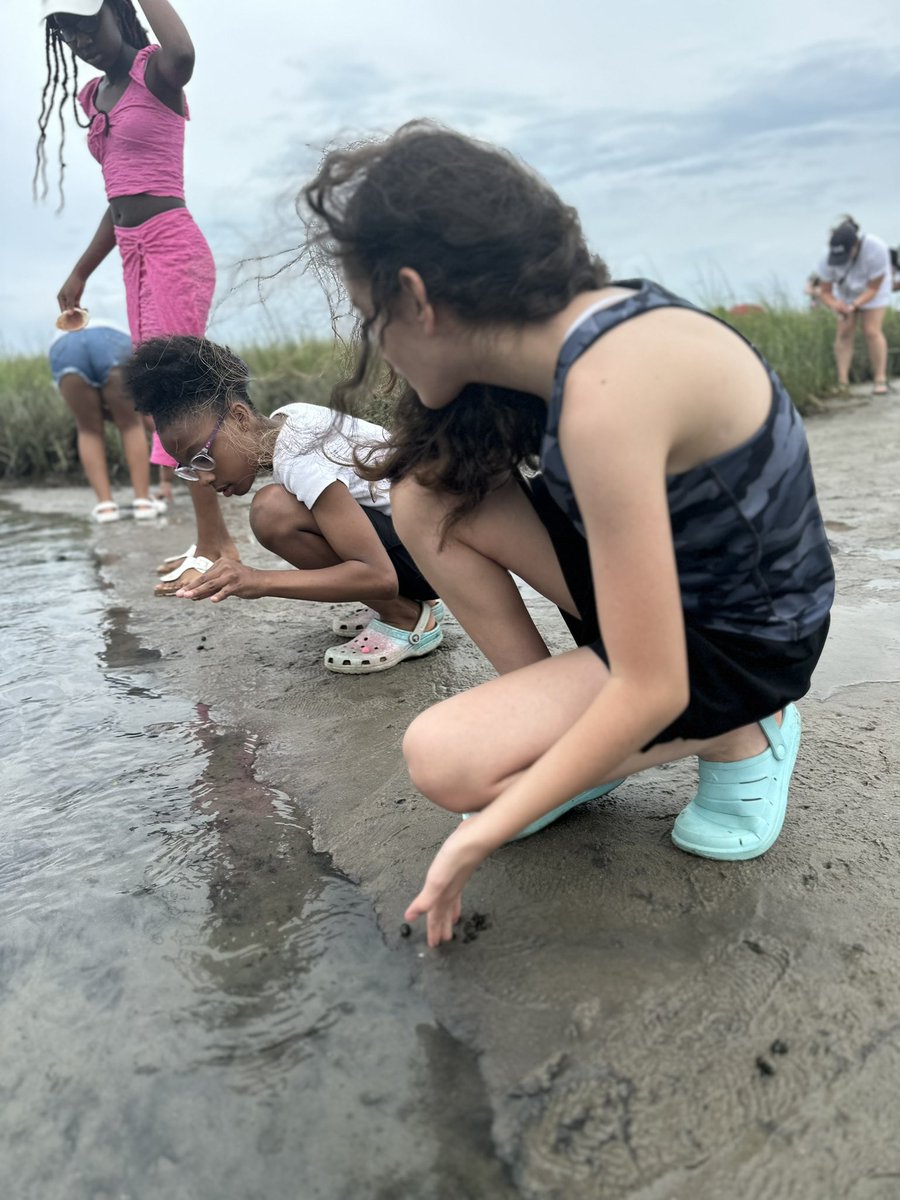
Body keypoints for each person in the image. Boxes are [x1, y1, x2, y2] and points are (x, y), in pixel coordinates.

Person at [301, 121, 836, 946]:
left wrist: (475, 837)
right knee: (425, 495)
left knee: (445, 760)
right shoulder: (571, 343)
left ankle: (746, 729)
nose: (376, 345)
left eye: (373, 319)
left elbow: (653, 682)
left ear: (416, 295)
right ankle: (575, 756)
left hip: (744, 640)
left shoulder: (608, 390)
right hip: (667, 598)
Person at [36, 0, 238, 594]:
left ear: (116, 12)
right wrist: (80, 272)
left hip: (174, 245)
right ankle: (208, 539)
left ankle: (215, 542)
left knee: (175, 392)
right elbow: (117, 195)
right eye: (68, 35)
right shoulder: (93, 96)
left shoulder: (157, 70)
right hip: (131, 254)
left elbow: (185, 52)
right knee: (158, 395)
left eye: (87, 25)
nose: (82, 43)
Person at [124, 335, 444, 673]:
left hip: (441, 559)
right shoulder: (291, 418)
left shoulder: (300, 459)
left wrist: (258, 580)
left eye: (201, 457)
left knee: (272, 512)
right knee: (279, 506)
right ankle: (415, 603)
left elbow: (379, 578)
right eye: (188, 469)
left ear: (240, 418)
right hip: (432, 544)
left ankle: (406, 618)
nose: (203, 479)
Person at [49, 320, 157, 521]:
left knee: (88, 430)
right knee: (131, 424)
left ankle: (105, 506)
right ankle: (142, 501)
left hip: (63, 344)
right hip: (114, 337)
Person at [816, 217, 891, 396]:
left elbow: (873, 287)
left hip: (874, 290)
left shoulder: (876, 249)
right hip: (846, 291)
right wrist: (837, 305)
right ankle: (843, 382)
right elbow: (824, 291)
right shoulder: (825, 259)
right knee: (844, 331)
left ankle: (880, 379)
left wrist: (856, 304)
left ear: (855, 245)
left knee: (871, 330)